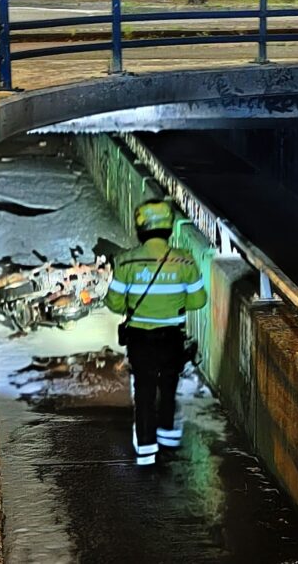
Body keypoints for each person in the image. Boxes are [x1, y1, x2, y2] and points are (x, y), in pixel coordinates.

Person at [105, 199, 207, 466]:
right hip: (172, 338)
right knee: (168, 386)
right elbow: (198, 301)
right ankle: (169, 443)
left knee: (145, 393)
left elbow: (114, 303)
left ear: (141, 228)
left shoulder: (126, 262)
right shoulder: (184, 261)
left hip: (140, 340)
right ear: (169, 228)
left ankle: (147, 453)